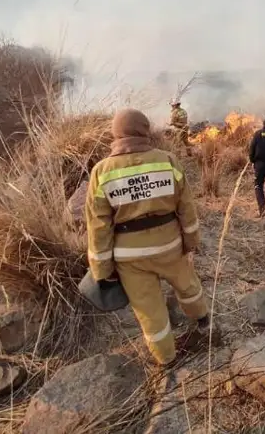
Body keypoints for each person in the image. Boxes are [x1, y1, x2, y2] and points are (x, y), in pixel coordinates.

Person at [85, 109, 211, 365]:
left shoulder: (101, 172)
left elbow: (98, 227)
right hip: (169, 245)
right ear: (145, 130)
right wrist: (191, 242)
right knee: (187, 284)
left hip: (130, 257)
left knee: (149, 309)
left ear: (116, 133)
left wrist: (102, 270)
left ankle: (166, 358)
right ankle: (202, 319)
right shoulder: (167, 161)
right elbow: (186, 207)